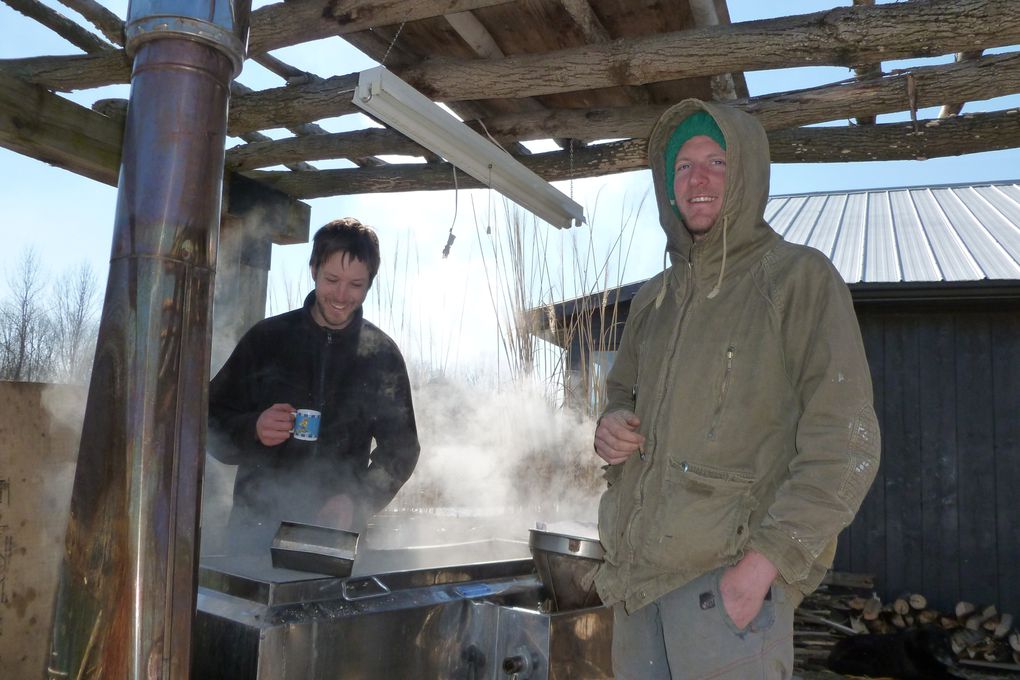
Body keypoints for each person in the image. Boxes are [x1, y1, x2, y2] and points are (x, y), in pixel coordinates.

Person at [592, 99, 881, 679]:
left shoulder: (797, 278)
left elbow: (846, 440)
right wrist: (613, 424)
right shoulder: (655, 299)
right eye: (683, 166)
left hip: (723, 590)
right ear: (667, 184)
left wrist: (763, 567)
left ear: (747, 173)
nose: (697, 179)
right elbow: (621, 394)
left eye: (716, 162)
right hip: (634, 588)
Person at [208, 217, 420, 551]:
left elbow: (402, 451)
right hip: (253, 533)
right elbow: (211, 419)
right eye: (332, 279)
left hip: (333, 541)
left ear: (370, 283)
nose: (340, 295)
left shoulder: (381, 356)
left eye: (355, 285)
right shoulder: (267, 339)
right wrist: (253, 428)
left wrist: (357, 499)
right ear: (313, 269)